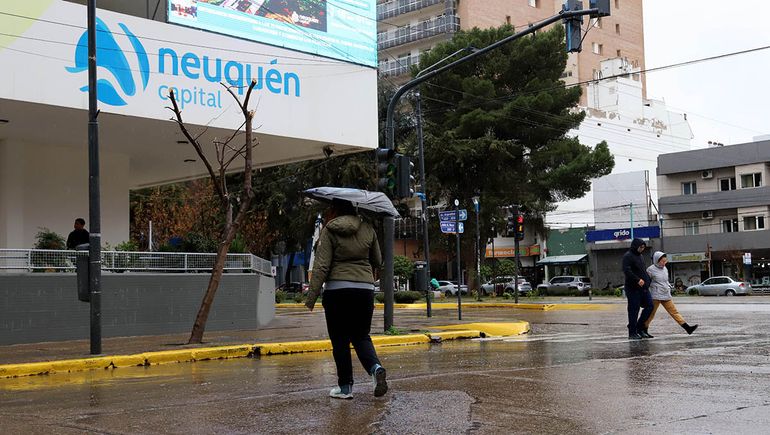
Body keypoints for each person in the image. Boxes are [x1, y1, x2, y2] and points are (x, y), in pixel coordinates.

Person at [305, 199, 387, 400]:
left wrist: (311, 296)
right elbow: (378, 261)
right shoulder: (368, 229)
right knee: (361, 336)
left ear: (335, 210)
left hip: (338, 291)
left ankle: (345, 388)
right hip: (364, 290)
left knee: (340, 340)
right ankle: (375, 368)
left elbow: (322, 266)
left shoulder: (330, 230)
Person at [643, 252, 699, 335]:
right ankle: (644, 330)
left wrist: (669, 287)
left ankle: (687, 328)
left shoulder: (665, 268)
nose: (664, 263)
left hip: (665, 294)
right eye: (662, 261)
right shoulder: (650, 269)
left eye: (665, 261)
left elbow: (666, 280)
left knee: (674, 312)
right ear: (656, 260)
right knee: (651, 314)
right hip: (655, 295)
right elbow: (647, 282)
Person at [622, 238, 653, 340]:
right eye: (641, 247)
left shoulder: (641, 256)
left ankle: (639, 328)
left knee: (650, 306)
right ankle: (632, 332)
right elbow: (627, 271)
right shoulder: (628, 256)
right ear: (636, 246)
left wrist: (647, 280)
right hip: (632, 288)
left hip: (643, 287)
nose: (642, 249)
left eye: (643, 247)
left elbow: (642, 270)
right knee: (634, 310)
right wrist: (637, 279)